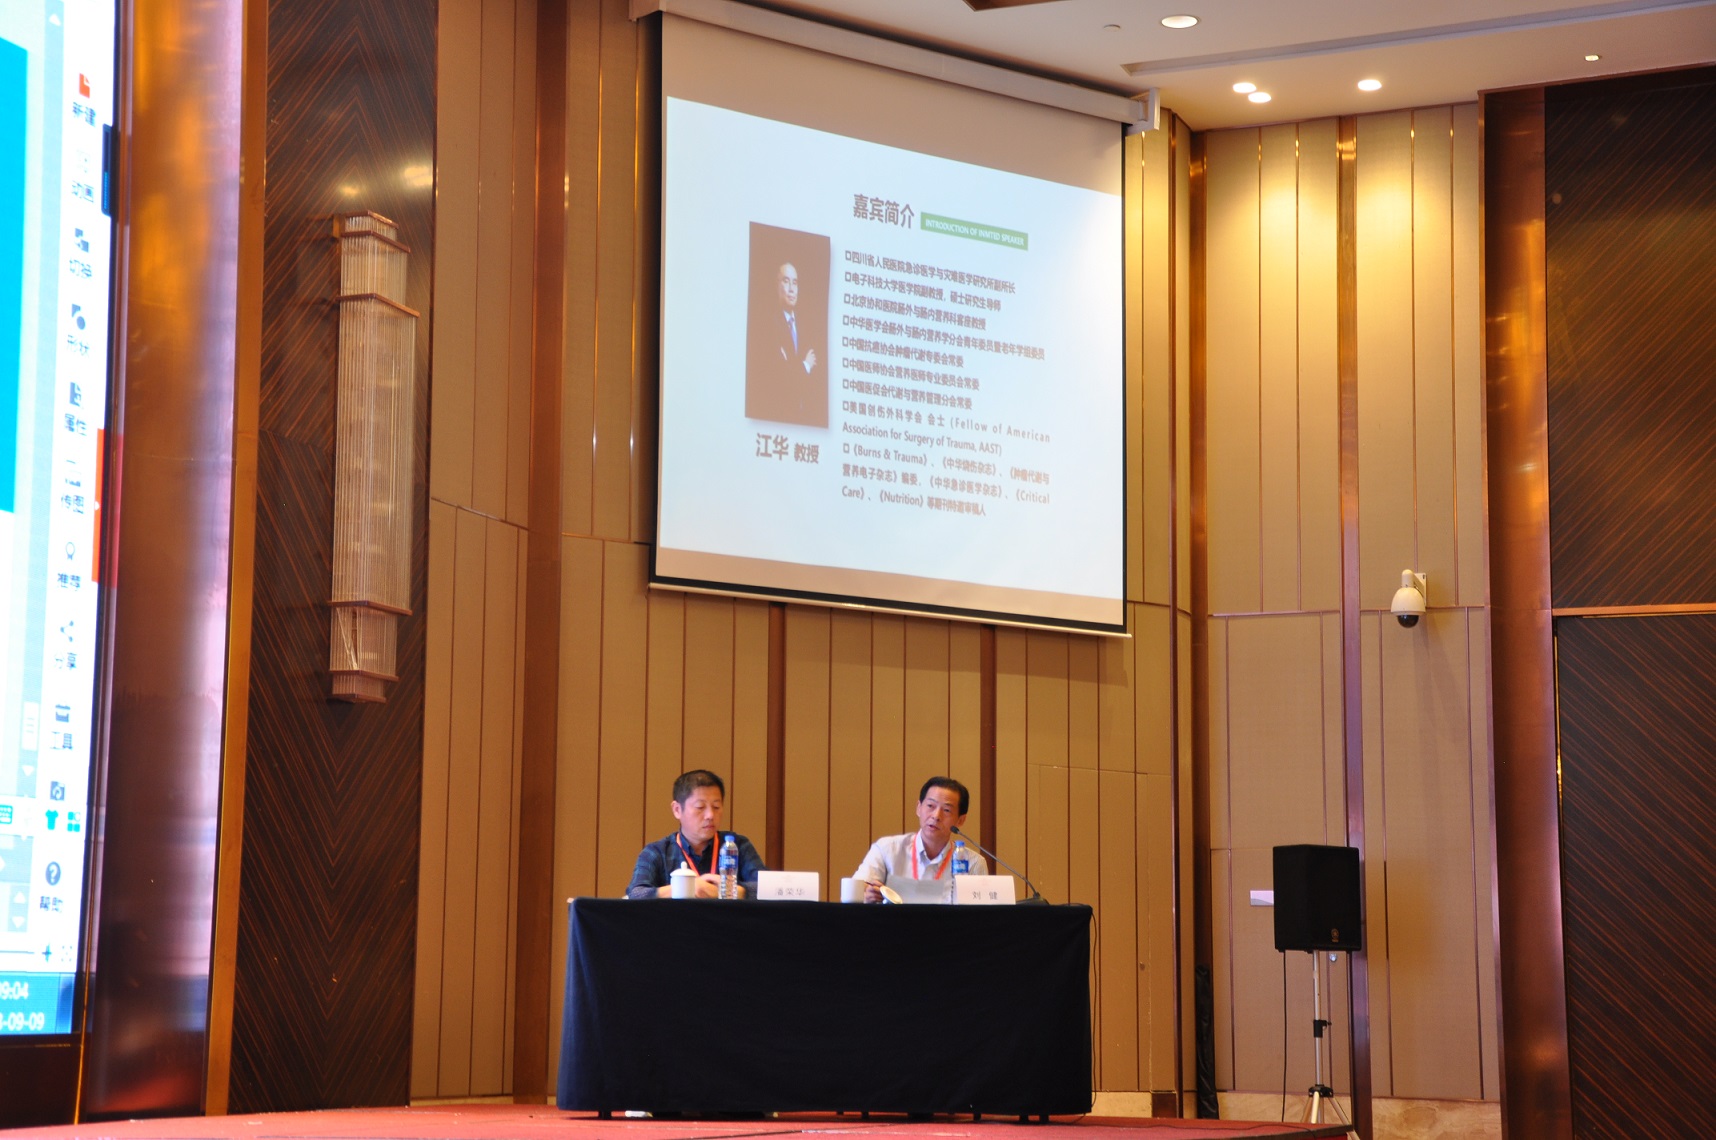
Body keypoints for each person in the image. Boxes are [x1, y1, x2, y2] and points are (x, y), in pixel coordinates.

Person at [626, 770, 765, 899]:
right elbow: (636, 893)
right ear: (677, 810)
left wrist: (728, 890)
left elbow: (768, 888)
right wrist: (686, 887)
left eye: (716, 807)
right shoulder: (657, 852)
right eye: (700, 807)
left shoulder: (736, 845)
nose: (710, 815)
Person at [853, 777, 988, 903]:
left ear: (960, 820)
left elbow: (981, 914)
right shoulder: (887, 849)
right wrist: (866, 895)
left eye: (946, 810)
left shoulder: (973, 863)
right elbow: (855, 891)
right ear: (919, 808)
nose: (936, 816)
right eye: (930, 806)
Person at [745, 260, 825, 426]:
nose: (791, 289)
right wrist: (806, 365)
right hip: (778, 418)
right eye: (786, 281)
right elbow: (780, 377)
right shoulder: (768, 326)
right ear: (777, 285)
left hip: (804, 421)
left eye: (795, 283)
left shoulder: (807, 328)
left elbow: (814, 379)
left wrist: (792, 368)